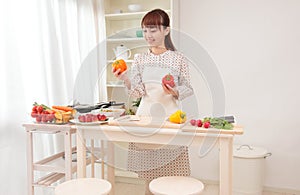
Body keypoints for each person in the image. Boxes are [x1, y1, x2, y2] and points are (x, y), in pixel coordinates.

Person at [112, 9, 194, 195]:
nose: (148, 35)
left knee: (172, 173)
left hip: (170, 119)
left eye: (153, 30)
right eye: (145, 30)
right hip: (145, 118)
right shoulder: (140, 58)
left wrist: (174, 91)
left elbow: (188, 88)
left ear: (166, 30)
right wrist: (125, 78)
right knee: (149, 176)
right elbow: (137, 92)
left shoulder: (178, 58)